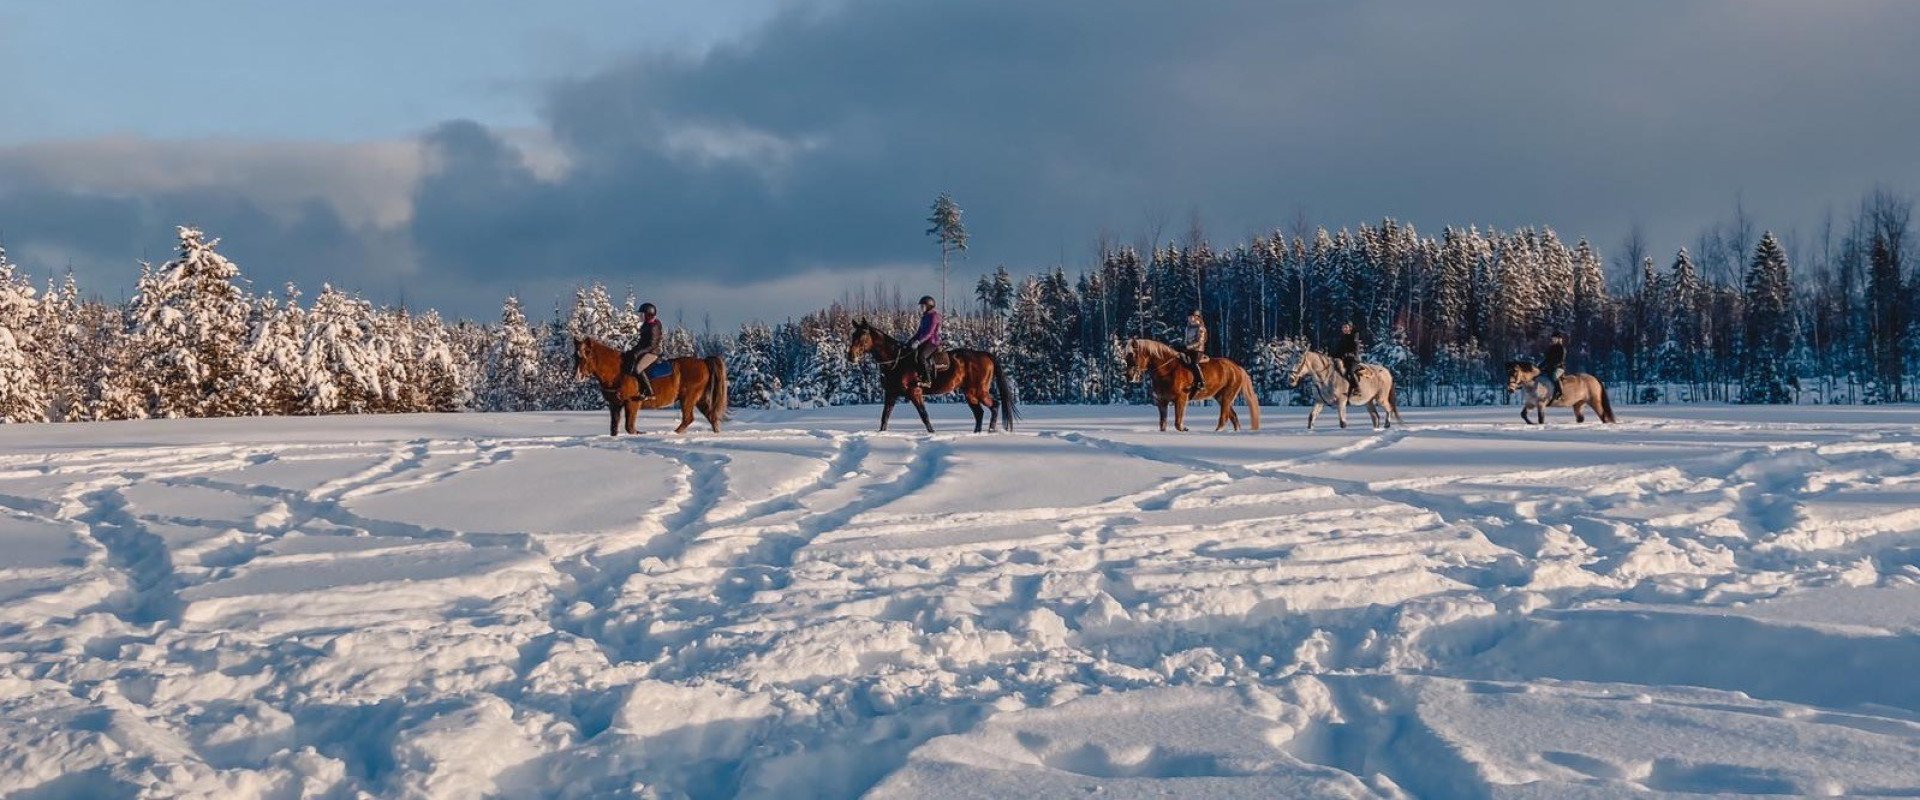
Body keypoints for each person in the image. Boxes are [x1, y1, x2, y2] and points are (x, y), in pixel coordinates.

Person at [627, 302, 664, 399]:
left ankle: (649, 392)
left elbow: (651, 345)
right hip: (646, 351)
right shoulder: (646, 325)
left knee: (638, 368)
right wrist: (632, 351)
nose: (640, 316)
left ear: (648, 314)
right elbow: (642, 342)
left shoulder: (653, 327)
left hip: (652, 353)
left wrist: (638, 352)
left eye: (642, 314)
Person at [908, 295, 942, 388]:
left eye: (923, 306)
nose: (921, 308)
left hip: (932, 342)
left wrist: (918, 342)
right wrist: (910, 341)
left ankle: (928, 381)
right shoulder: (924, 317)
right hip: (923, 341)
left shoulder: (934, 316)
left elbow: (929, 333)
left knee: (921, 356)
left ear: (929, 306)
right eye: (921, 306)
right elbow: (919, 332)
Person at [1333, 322, 1362, 398]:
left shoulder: (1354, 338)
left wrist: (1348, 354)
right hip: (1343, 360)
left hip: (1353, 360)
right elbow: (1337, 351)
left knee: (1349, 372)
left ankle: (1357, 388)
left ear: (1350, 328)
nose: (1344, 329)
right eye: (1343, 328)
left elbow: (1356, 350)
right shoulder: (1341, 338)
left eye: (1346, 327)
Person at [1182, 310, 1208, 392]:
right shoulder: (1187, 327)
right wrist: (1183, 345)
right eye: (1188, 317)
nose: (1189, 318)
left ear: (1196, 317)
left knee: (1193, 363)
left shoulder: (1200, 327)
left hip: (1197, 350)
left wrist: (1189, 346)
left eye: (1191, 316)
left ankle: (1201, 382)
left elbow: (1200, 341)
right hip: (1188, 349)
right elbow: (1186, 339)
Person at [1541, 331, 1567, 403]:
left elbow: (1560, 360)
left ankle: (1559, 392)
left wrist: (1553, 365)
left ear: (1559, 339)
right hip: (1550, 367)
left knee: (1554, 376)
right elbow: (1546, 359)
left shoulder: (1562, 348)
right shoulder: (1551, 348)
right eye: (1552, 338)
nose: (1553, 339)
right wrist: (1539, 367)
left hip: (1559, 367)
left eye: (1555, 338)